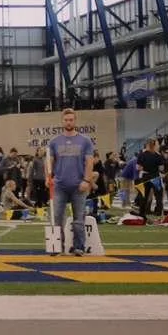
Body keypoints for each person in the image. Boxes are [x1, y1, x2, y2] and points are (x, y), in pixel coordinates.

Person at [47, 108, 97, 255]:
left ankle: (79, 247)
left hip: (79, 185)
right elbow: (49, 162)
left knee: (79, 219)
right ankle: (57, 247)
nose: (68, 122)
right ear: (62, 121)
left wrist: (86, 180)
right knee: (56, 217)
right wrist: (48, 178)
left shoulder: (85, 141)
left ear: (75, 121)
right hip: (59, 186)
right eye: (66, 120)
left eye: (71, 119)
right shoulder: (54, 142)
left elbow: (89, 162)